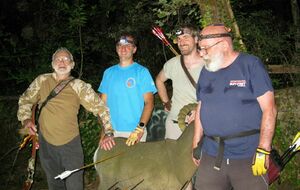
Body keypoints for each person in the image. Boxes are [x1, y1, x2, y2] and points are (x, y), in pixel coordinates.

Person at [192, 24, 277, 190]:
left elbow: (270, 109)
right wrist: (196, 142)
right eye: (199, 49)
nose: (201, 54)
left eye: (205, 49)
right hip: (211, 153)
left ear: (224, 45)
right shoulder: (206, 71)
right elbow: (201, 106)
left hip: (248, 155)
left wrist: (264, 149)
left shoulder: (250, 65)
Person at [17, 47, 113, 190]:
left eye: (66, 59)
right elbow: (25, 100)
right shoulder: (41, 80)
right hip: (46, 144)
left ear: (72, 64)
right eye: (58, 59)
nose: (62, 62)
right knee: (54, 184)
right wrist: (26, 120)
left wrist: (108, 132)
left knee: (75, 185)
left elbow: (100, 108)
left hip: (70, 145)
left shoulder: (78, 86)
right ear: (52, 63)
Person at [98, 33, 157, 151]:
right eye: (120, 45)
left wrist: (139, 129)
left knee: (136, 168)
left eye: (128, 45)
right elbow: (101, 106)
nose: (123, 48)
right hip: (112, 133)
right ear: (116, 49)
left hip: (134, 133)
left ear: (134, 49)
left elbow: (149, 103)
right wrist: (104, 132)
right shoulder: (108, 73)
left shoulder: (142, 72)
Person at [156, 24, 203, 140]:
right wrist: (166, 102)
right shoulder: (173, 64)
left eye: (185, 37)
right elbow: (159, 80)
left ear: (196, 39)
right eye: (179, 39)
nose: (181, 42)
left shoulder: (209, 64)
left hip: (202, 124)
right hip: (175, 124)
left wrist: (201, 110)